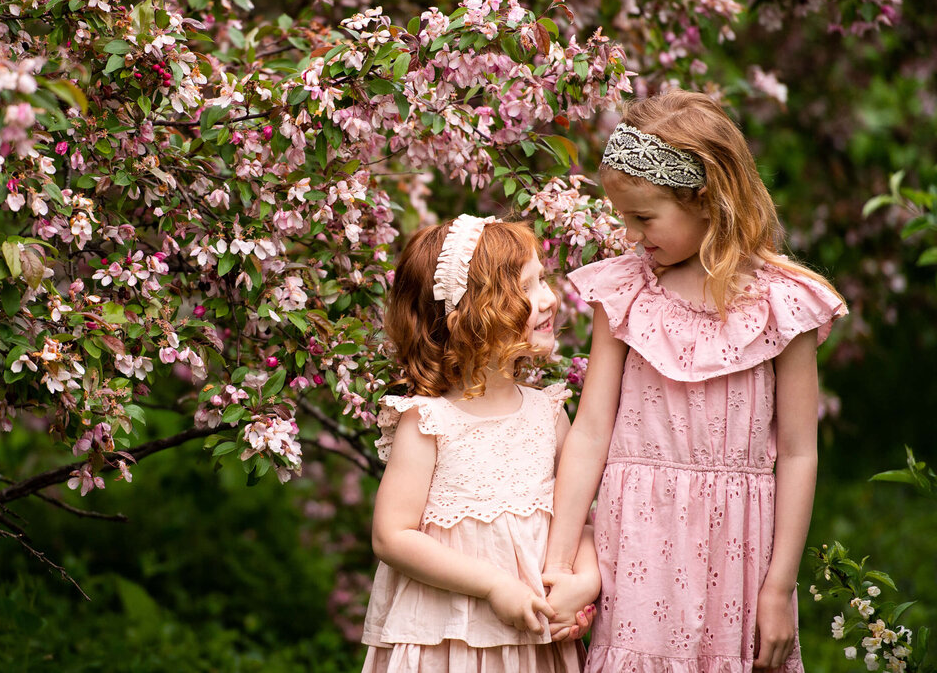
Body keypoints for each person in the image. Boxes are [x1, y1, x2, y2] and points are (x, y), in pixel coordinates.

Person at [542, 89, 848, 672]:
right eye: (624, 217)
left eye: (644, 217)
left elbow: (799, 453)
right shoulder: (625, 292)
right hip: (636, 542)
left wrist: (778, 589)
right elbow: (591, 430)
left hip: (740, 555)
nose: (631, 234)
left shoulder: (785, 303)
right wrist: (559, 562)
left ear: (706, 199)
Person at [362, 215, 599, 673]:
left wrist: (583, 581)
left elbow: (578, 521)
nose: (549, 299)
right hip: (449, 640)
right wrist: (495, 586)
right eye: (527, 289)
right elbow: (391, 536)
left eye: (543, 280)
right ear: (468, 317)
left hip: (534, 643)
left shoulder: (549, 412)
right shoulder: (428, 422)